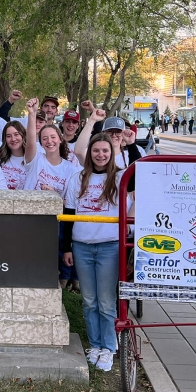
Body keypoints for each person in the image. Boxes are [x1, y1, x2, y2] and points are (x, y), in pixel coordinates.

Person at [61, 133, 133, 371]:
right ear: (90, 153)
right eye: (96, 151)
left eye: (105, 151)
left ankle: (109, 348)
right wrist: (66, 247)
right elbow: (69, 216)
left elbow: (146, 176)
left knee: (105, 301)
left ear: (112, 153)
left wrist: (130, 144)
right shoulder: (77, 178)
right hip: (82, 246)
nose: (100, 155)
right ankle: (95, 344)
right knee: (89, 300)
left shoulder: (122, 178)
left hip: (109, 246)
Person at [24, 98, 79, 197]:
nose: (49, 141)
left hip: (54, 212)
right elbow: (30, 142)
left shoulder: (71, 170)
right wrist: (32, 113)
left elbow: (71, 202)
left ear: (60, 140)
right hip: (28, 210)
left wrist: (54, 195)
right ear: (40, 143)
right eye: (44, 138)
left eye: (53, 137)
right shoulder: (35, 159)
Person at [74, 110, 142, 170]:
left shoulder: (129, 155)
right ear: (103, 133)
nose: (114, 135)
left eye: (118, 132)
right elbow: (78, 152)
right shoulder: (96, 155)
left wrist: (131, 143)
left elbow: (139, 172)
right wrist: (92, 120)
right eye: (110, 131)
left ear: (123, 133)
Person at [0, 121, 27, 190]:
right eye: (8, 136)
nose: (13, 139)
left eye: (16, 134)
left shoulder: (32, 158)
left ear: (23, 135)